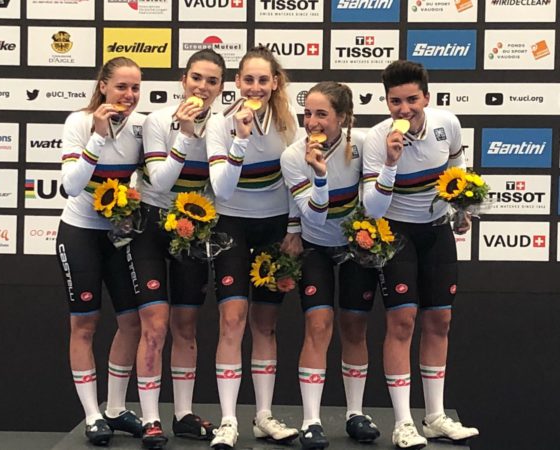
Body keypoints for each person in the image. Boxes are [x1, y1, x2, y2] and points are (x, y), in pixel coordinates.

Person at [362, 60, 479, 449]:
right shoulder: (377, 138)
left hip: (436, 231)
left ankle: (434, 417)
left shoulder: (448, 123)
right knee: (402, 322)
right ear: (387, 102)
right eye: (395, 101)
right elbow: (373, 208)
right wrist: (391, 164)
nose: (404, 109)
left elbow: (457, 166)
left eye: (412, 100)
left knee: (440, 321)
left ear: (426, 98)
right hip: (395, 235)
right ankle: (402, 422)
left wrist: (461, 207)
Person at [126, 48, 226, 448]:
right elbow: (161, 181)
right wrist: (184, 135)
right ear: (183, 81)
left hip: (194, 226)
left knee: (186, 325)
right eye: (196, 78)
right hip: (152, 226)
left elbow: (222, 186)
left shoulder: (222, 125)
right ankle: (151, 418)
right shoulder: (158, 120)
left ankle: (183, 415)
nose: (202, 87)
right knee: (155, 325)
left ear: (221, 88)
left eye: (212, 81)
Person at [205, 46, 301, 450]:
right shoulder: (219, 123)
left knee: (266, 324)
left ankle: (263, 416)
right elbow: (222, 188)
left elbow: (298, 182)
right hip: (231, 225)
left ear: (275, 83)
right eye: (249, 80)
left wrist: (294, 229)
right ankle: (228, 420)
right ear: (237, 83)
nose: (256, 87)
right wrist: (240, 140)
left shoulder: (290, 122)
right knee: (232, 320)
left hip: (274, 227)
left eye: (264, 80)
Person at [280, 81, 381, 450]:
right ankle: (311, 421)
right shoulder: (293, 156)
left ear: (344, 118)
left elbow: (376, 197)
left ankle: (356, 414)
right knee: (318, 326)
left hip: (355, 246)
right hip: (316, 245)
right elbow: (315, 217)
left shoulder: (365, 145)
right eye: (308, 113)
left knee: (355, 328)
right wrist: (319, 175)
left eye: (322, 114)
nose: (312, 122)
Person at [56, 56, 145, 446]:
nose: (129, 94)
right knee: (85, 324)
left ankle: (115, 408)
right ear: (103, 86)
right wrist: (97, 135)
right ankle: (92, 414)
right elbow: (72, 186)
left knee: (133, 322)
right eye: (121, 86)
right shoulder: (79, 121)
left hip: (119, 237)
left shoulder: (140, 128)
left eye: (135, 87)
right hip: (80, 233)